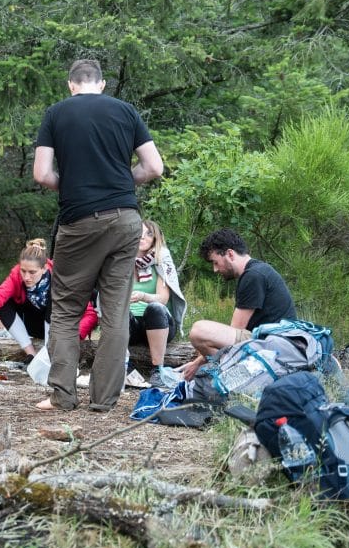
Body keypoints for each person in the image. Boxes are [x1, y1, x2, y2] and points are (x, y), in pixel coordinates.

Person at [32, 59, 163, 412]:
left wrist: (74, 187)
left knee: (65, 309)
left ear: (71, 84)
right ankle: (104, 400)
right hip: (126, 220)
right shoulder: (126, 111)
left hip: (79, 222)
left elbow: (42, 174)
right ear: (101, 84)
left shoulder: (56, 113)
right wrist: (120, 183)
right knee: (116, 311)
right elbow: (154, 167)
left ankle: (63, 396)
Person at [179, 228, 296, 381]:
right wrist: (197, 361)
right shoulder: (257, 271)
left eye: (215, 262)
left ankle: (229, 375)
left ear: (230, 254)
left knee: (198, 331)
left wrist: (197, 363)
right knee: (206, 334)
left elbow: (235, 330)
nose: (215, 269)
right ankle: (229, 372)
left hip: (274, 345)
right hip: (271, 341)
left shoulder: (253, 276)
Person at [0, 238, 98, 357]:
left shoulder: (60, 277)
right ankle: (31, 354)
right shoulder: (16, 276)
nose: (26, 277)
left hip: (61, 330)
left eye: (32, 272)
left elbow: (90, 314)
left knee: (55, 298)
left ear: (44, 268)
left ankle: (49, 353)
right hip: (33, 325)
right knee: (2, 304)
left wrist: (73, 338)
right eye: (23, 271)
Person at [128, 220, 186, 386]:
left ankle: (157, 370)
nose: (142, 237)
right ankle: (125, 368)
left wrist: (142, 296)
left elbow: (163, 299)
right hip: (132, 326)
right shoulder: (122, 261)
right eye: (139, 232)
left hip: (159, 324)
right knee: (117, 311)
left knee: (155, 307)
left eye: (148, 234)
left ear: (155, 239)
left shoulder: (161, 260)